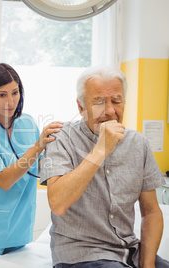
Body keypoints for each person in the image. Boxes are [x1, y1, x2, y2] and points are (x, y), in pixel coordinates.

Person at [40, 66, 169, 268]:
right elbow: (58, 203)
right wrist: (101, 150)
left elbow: (151, 212)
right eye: (99, 102)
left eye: (116, 101)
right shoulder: (61, 137)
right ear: (80, 107)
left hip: (130, 251)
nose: (110, 111)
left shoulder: (138, 143)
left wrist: (148, 264)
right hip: (81, 254)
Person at [0, 62, 63, 267]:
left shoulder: (27, 123)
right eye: (2, 95)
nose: (11, 101)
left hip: (19, 229)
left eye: (15, 93)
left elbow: (39, 166)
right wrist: (37, 146)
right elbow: (3, 180)